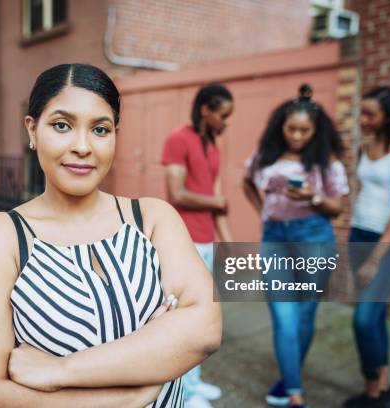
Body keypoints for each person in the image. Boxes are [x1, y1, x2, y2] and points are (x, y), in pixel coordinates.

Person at [0, 63, 222, 408]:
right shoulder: (1, 238)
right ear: (32, 131)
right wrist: (130, 395)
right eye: (62, 125)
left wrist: (60, 371)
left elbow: (205, 329)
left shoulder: (153, 219)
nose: (83, 146)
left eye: (100, 129)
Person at [243, 84, 349, 408]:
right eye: (292, 129)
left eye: (305, 130)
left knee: (304, 316)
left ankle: (289, 379)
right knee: (284, 318)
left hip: (315, 237)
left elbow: (337, 208)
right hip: (275, 239)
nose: (298, 136)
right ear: (281, 126)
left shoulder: (327, 163)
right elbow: (247, 181)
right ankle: (295, 396)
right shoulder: (265, 157)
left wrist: (312, 197)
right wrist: (264, 211)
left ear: (316, 131)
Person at [343, 86, 390, 408]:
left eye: (371, 114)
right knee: (373, 316)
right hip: (359, 234)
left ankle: (375, 393)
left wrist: (375, 258)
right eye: (363, 112)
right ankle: (381, 389)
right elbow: (361, 191)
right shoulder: (365, 144)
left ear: (389, 116)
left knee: (362, 318)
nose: (364, 119)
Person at [161, 83, 233, 408]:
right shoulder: (179, 139)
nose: (225, 122)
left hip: (207, 240)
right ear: (206, 109)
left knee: (202, 317)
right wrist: (215, 199)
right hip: (184, 240)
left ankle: (195, 384)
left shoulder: (212, 146)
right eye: (223, 115)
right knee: (186, 319)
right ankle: (184, 395)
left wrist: (229, 242)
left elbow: (218, 204)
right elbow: (176, 193)